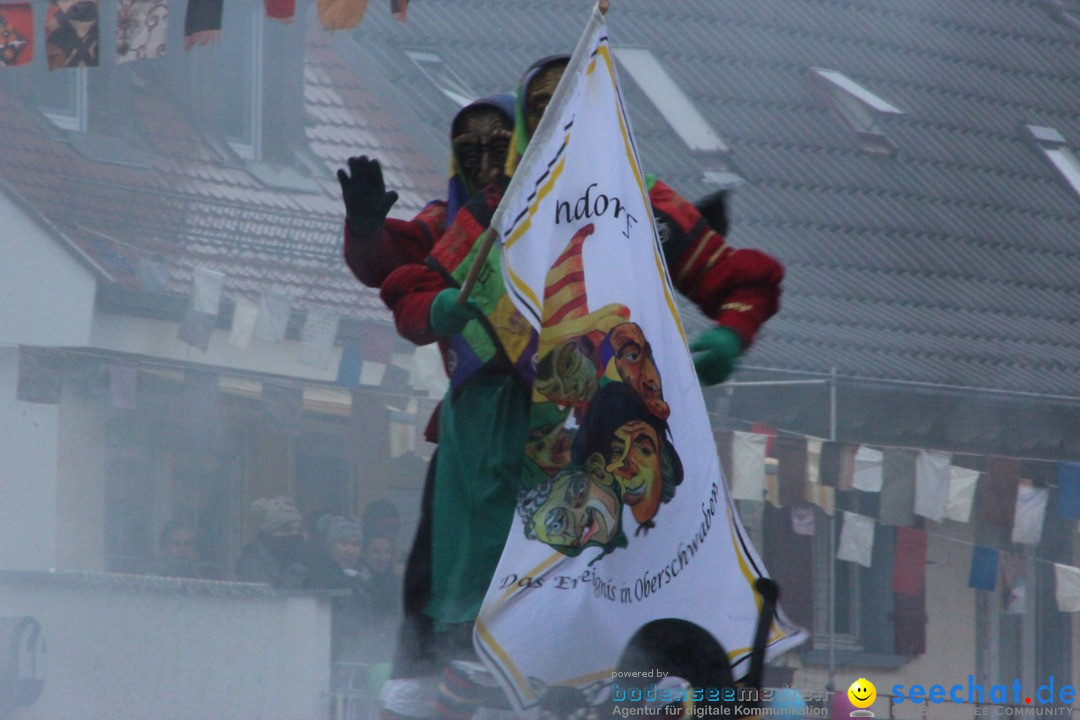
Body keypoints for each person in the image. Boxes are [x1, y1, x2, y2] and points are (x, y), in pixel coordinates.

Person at [373, 53, 784, 719]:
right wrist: (439, 308)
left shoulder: (645, 201)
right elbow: (410, 288)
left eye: (576, 100)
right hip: (507, 444)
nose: (559, 115)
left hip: (614, 430)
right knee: (482, 625)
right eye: (541, 105)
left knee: (629, 593)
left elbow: (740, 278)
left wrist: (731, 335)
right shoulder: (495, 214)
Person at [235, 497, 309, 588]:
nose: (294, 534)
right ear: (269, 532)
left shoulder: (295, 557)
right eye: (286, 529)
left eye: (298, 529)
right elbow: (266, 599)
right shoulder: (252, 562)